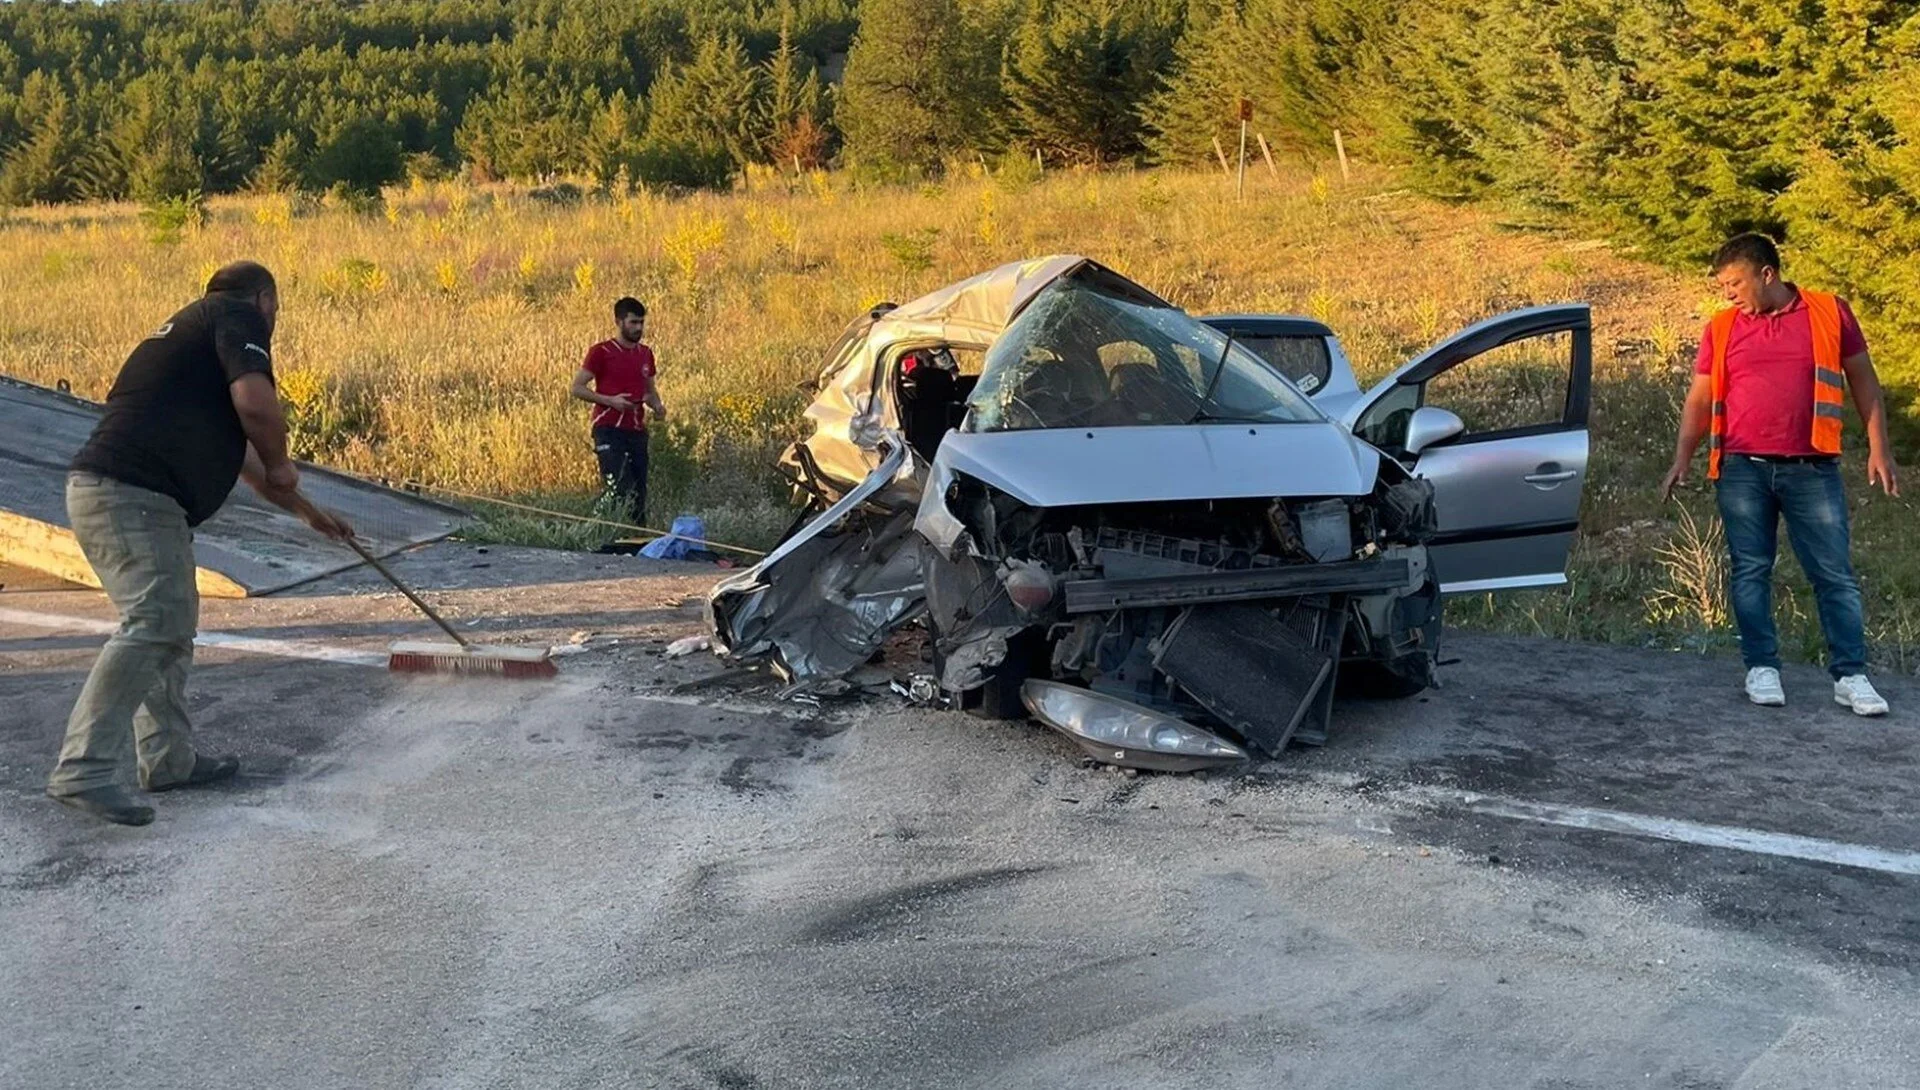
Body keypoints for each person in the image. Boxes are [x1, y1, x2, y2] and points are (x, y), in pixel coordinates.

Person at [52, 261, 355, 826]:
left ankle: (168, 760)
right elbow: (257, 406)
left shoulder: (188, 343)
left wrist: (312, 513)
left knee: (168, 626)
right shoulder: (236, 315)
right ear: (266, 299)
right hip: (133, 496)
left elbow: (243, 461)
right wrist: (283, 463)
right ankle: (83, 769)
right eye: (276, 310)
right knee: (155, 624)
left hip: (117, 495)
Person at [1660, 234, 1900, 715]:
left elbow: (1864, 381)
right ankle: (1761, 667)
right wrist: (1681, 457)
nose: (1727, 292)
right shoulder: (1722, 327)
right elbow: (1700, 398)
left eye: (1734, 282)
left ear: (1766, 275)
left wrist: (1880, 449)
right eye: (1722, 284)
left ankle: (1851, 675)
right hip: (1741, 470)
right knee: (1750, 569)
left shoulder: (1831, 312)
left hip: (1812, 468)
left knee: (1834, 574)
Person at [570, 297, 666, 529]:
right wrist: (609, 401)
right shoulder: (601, 352)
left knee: (639, 493)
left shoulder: (645, 354)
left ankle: (636, 542)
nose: (638, 328)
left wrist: (658, 407)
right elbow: (577, 388)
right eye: (633, 322)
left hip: (636, 430)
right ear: (619, 321)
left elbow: (649, 391)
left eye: (641, 322)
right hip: (609, 429)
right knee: (619, 486)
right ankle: (591, 529)